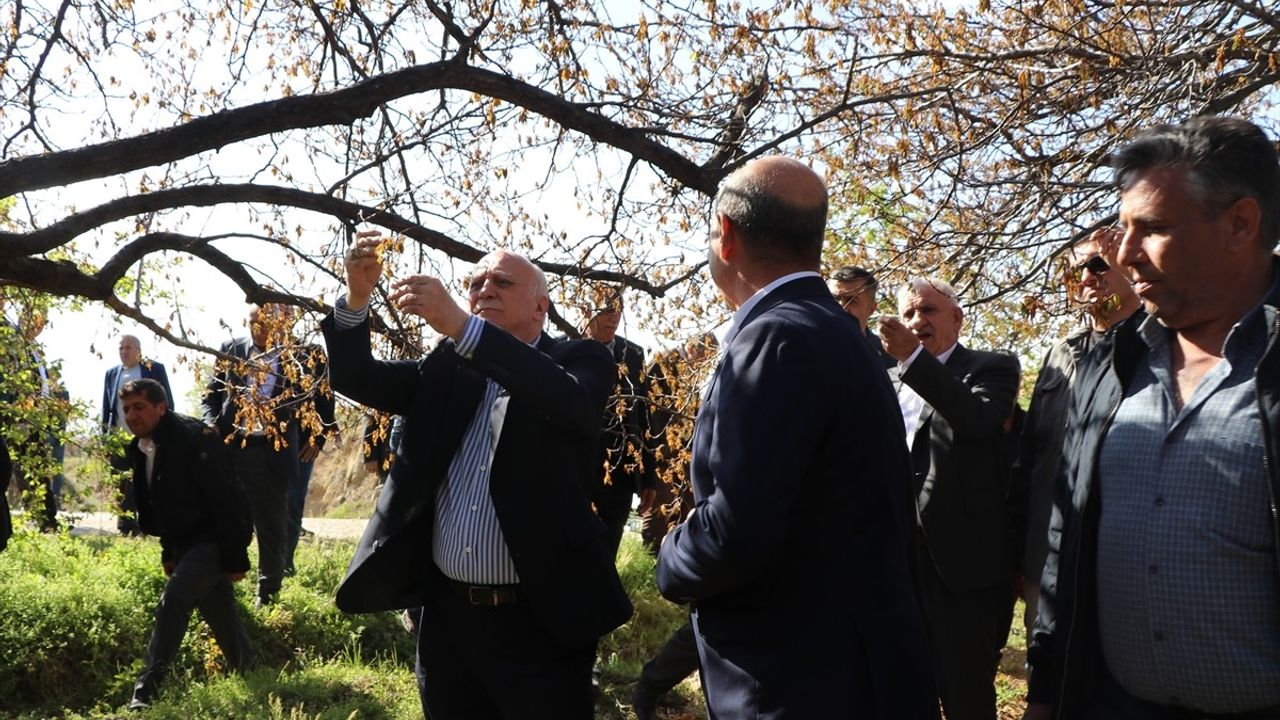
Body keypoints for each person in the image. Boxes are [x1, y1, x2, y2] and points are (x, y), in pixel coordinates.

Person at [655, 156, 938, 719]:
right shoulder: (839, 333)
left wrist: (670, 556)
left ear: (727, 236)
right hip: (851, 669)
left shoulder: (774, 339)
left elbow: (737, 530)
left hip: (790, 681)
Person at [1025, 116, 1280, 720]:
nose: (1126, 253)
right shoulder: (1111, 363)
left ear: (1241, 223)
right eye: (1124, 228)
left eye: (1154, 229)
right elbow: (1067, 539)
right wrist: (1045, 689)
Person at [321, 232, 631, 719]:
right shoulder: (447, 366)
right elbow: (358, 377)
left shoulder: (580, 359)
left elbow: (571, 403)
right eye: (475, 282)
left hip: (542, 623)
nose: (484, 290)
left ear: (540, 307)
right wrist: (357, 299)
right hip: (448, 623)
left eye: (502, 282)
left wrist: (463, 327)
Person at [879, 276, 1021, 720]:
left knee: (965, 695)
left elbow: (976, 419)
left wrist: (915, 359)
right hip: (893, 563)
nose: (916, 320)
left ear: (957, 318)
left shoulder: (992, 367)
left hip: (961, 569)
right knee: (900, 687)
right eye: (907, 313)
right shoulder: (883, 381)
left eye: (927, 310)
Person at [1010, 227, 1139, 641]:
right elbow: (1029, 458)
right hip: (1044, 563)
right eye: (1074, 273)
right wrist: (1018, 554)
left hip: (1119, 568)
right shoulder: (1059, 352)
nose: (1084, 278)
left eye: (1097, 265)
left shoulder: (1164, 345)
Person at [119, 378, 252, 711]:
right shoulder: (142, 446)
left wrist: (236, 558)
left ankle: (145, 695)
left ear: (161, 407)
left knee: (173, 601)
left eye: (139, 407)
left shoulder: (194, 438)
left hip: (214, 538)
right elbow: (161, 505)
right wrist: (169, 551)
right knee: (219, 612)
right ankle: (249, 671)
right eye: (126, 409)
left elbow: (228, 499)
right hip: (186, 542)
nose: (131, 415)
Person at [201, 303, 311, 606]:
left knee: (272, 526)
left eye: (264, 323)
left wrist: (317, 436)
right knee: (226, 518)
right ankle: (219, 585)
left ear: (278, 325)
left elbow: (315, 399)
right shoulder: (231, 349)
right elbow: (210, 396)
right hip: (232, 448)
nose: (257, 329)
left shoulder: (296, 356)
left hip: (271, 452)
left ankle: (268, 592)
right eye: (252, 322)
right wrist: (211, 426)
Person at [581, 285, 657, 558]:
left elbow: (644, 415)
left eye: (619, 311)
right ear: (586, 311)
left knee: (606, 553)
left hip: (621, 475)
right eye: (607, 310)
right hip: (576, 472)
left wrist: (648, 476)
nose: (614, 317)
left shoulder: (632, 355)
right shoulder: (563, 349)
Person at [102, 334, 175, 536]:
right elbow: (106, 407)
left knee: (146, 480)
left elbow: (166, 401)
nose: (124, 352)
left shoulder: (154, 369)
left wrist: (164, 431)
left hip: (147, 436)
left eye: (128, 348)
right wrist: (105, 437)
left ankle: (151, 525)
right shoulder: (112, 374)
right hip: (119, 437)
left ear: (139, 351)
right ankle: (126, 526)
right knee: (121, 481)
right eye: (121, 348)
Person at [284, 336, 336, 578]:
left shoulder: (312, 352)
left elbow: (326, 397)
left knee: (293, 502)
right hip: (259, 443)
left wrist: (318, 438)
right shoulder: (255, 353)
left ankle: (285, 564)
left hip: (303, 444)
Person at [828, 264, 895, 367]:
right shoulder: (807, 347)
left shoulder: (889, 356)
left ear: (871, 309)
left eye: (851, 301)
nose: (841, 307)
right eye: (835, 299)